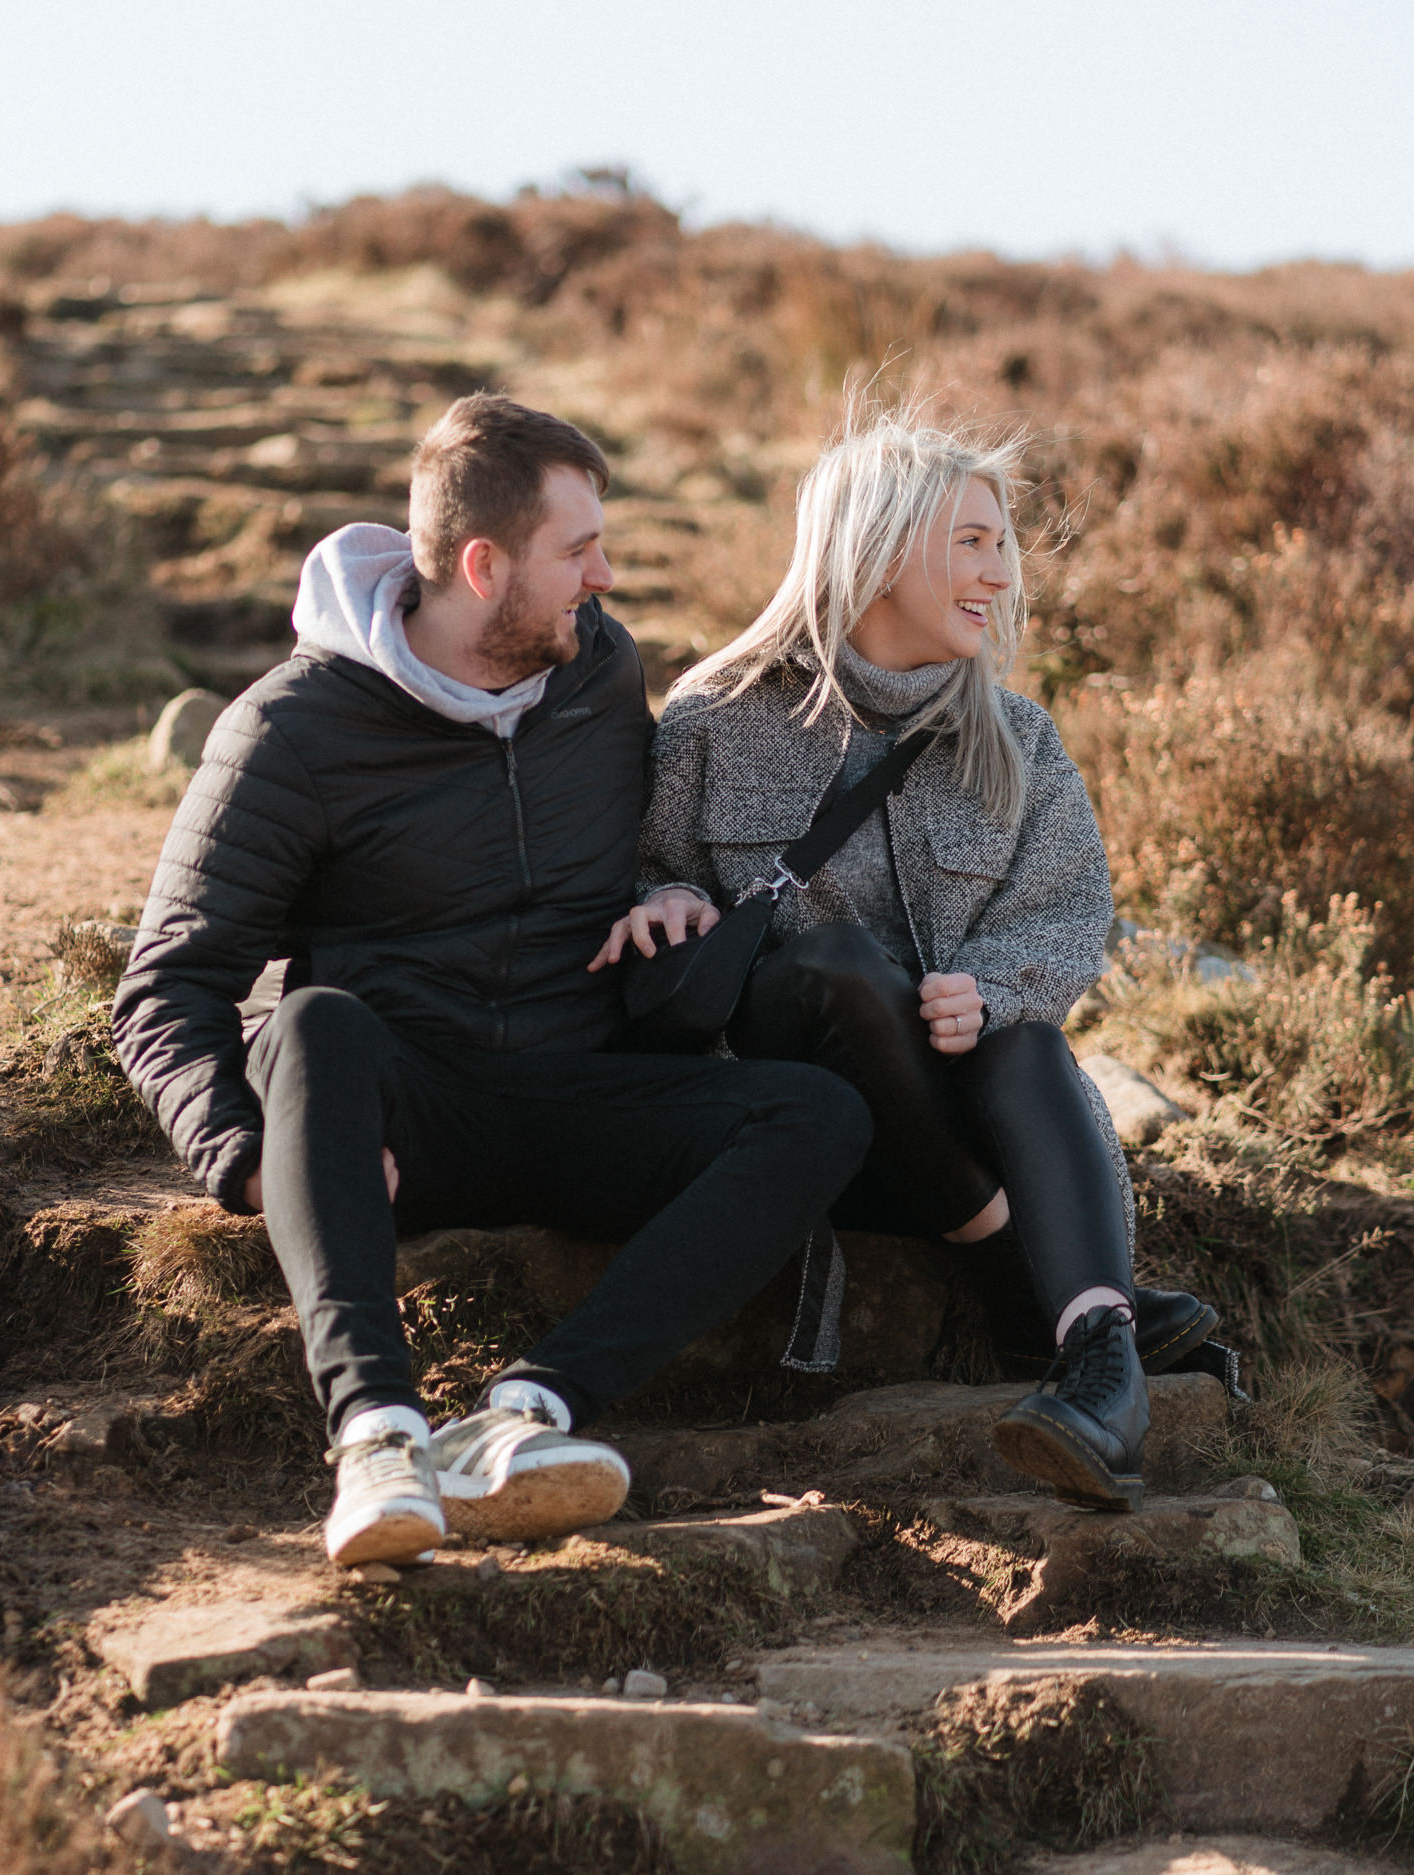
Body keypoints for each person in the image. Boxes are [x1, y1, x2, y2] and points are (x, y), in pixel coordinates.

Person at [112, 394, 872, 1567]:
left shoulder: (598, 671)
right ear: (482, 566)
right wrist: (249, 1159)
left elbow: (643, 846)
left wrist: (666, 894)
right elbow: (167, 988)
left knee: (815, 1114)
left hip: (582, 1090)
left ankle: (525, 1412)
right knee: (310, 1027)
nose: (603, 577)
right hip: (409, 1118)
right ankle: (376, 1438)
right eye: (577, 552)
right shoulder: (292, 732)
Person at [618, 415, 1215, 1512]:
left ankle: (1099, 1370)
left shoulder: (1019, 740)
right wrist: (666, 898)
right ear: (880, 549)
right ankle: (1018, 1280)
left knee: (1027, 1045)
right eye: (972, 543)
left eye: (1003, 545)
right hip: (798, 1122)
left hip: (959, 1121)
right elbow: (651, 870)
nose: (1001, 573)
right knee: (841, 966)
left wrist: (986, 989)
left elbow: (1065, 917)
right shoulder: (717, 713)